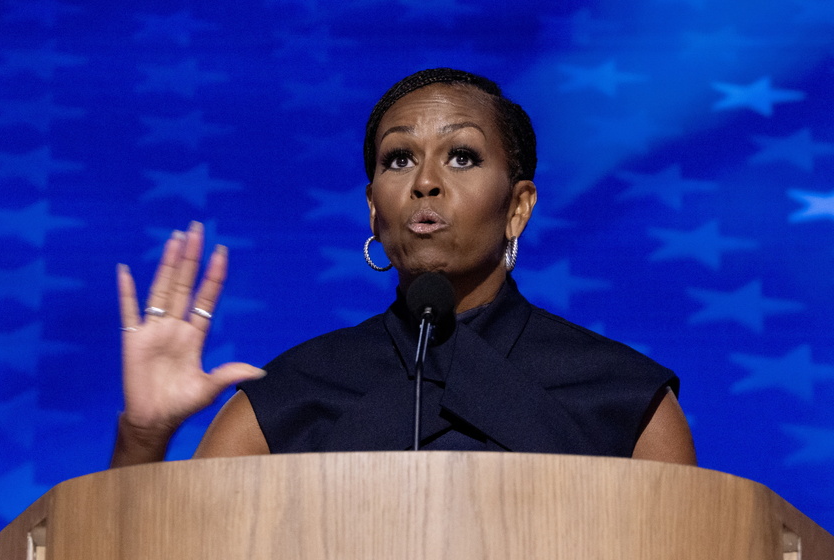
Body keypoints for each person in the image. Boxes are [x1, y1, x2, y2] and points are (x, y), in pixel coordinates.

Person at [111, 68, 696, 468]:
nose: (425, 182)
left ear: (518, 207)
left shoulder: (624, 399)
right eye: (399, 159)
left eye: (462, 156)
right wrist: (144, 436)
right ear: (373, 207)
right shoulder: (284, 399)